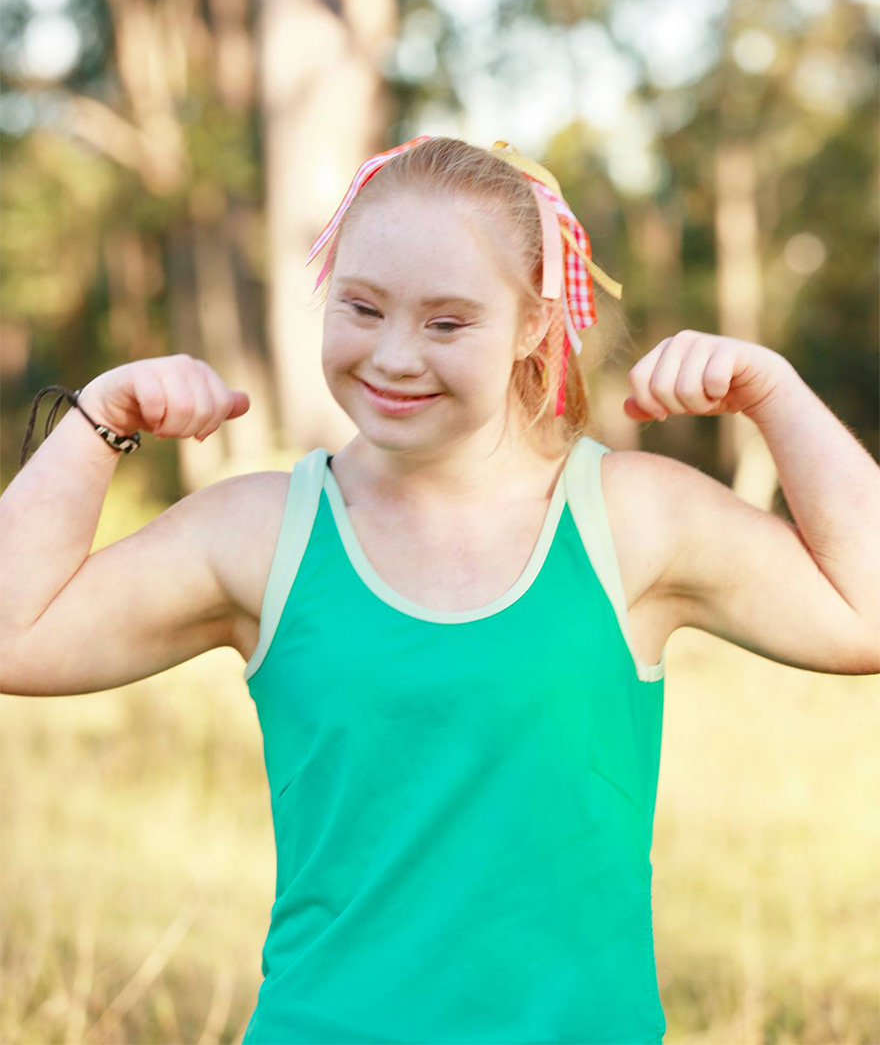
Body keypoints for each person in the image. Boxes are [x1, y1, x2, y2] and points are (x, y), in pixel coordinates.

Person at [1, 135, 877, 1045]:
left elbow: (867, 611)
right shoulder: (267, 531)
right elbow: (15, 637)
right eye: (363, 307)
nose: (394, 356)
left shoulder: (627, 519)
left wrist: (775, 393)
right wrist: (99, 418)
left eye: (447, 323)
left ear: (534, 325)